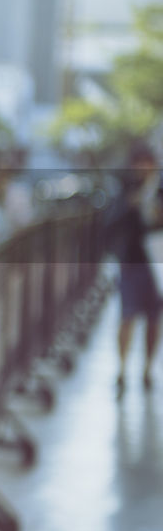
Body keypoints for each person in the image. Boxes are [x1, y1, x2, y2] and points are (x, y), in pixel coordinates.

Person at [110, 141, 163, 399]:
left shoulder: (159, 188)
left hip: (157, 261)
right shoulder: (126, 189)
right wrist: (132, 204)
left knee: (154, 318)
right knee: (127, 315)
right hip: (132, 259)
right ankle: (121, 369)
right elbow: (111, 220)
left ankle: (147, 369)